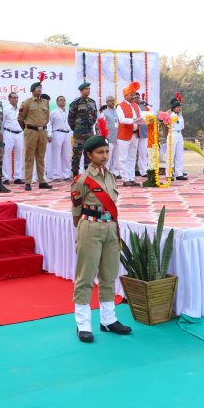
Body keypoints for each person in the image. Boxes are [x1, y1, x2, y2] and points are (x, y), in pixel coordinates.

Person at [70, 135, 132, 343]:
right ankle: (83, 324)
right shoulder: (82, 181)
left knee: (109, 275)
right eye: (100, 152)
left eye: (106, 151)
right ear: (89, 155)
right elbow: (76, 212)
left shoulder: (111, 177)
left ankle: (108, 319)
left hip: (111, 228)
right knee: (86, 277)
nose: (104, 156)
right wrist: (85, 228)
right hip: (90, 227)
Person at [18, 77, 52, 191]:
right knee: (29, 157)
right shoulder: (27, 102)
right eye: (37, 88)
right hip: (30, 131)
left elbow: (47, 118)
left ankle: (42, 180)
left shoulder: (45, 102)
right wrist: (27, 129)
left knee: (41, 157)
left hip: (42, 131)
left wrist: (43, 127)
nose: (39, 90)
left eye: (40, 88)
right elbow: (20, 118)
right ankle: (28, 181)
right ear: (32, 90)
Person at [116, 82, 146, 187]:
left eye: (134, 94)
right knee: (123, 158)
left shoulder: (136, 106)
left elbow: (141, 117)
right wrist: (134, 120)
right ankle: (125, 179)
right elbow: (122, 119)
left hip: (135, 135)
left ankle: (131, 178)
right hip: (124, 135)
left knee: (132, 157)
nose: (133, 96)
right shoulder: (120, 106)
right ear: (126, 96)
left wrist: (145, 120)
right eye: (131, 94)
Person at [68, 82, 98, 177]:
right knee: (77, 154)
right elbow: (71, 119)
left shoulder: (92, 102)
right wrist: (77, 128)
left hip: (89, 132)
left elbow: (94, 116)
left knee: (89, 154)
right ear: (81, 91)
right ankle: (75, 173)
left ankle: (88, 174)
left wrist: (90, 125)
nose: (88, 90)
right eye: (86, 89)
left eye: (89, 89)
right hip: (79, 133)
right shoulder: (75, 102)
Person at [2, 92, 24, 185]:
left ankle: (17, 177)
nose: (16, 99)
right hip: (8, 133)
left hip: (19, 133)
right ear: (9, 99)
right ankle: (6, 177)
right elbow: (1, 123)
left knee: (19, 155)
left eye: (17, 97)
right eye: (14, 97)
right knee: (6, 155)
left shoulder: (21, 110)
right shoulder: (5, 109)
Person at [49, 95, 71, 181]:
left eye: (64, 100)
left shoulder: (68, 112)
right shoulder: (54, 112)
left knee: (66, 155)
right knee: (56, 155)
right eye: (61, 100)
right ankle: (56, 175)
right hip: (57, 133)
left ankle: (66, 175)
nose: (63, 101)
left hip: (67, 133)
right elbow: (49, 123)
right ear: (57, 102)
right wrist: (49, 134)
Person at [168, 97, 187, 181]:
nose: (179, 108)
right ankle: (169, 174)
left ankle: (179, 173)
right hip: (173, 133)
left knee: (179, 155)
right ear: (173, 108)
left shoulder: (180, 116)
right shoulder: (170, 116)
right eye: (177, 107)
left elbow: (182, 126)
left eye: (179, 107)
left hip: (179, 134)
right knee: (171, 154)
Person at [101, 96, 120, 176]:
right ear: (107, 102)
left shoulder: (118, 111)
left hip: (118, 137)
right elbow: (101, 125)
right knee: (107, 156)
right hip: (108, 138)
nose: (112, 102)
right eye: (110, 101)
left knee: (117, 157)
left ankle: (116, 173)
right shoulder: (104, 113)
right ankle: (106, 172)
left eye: (113, 100)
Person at [134, 93, 150, 178]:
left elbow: (150, 118)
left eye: (138, 97)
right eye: (135, 97)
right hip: (133, 132)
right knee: (132, 154)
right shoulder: (131, 107)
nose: (136, 99)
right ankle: (131, 171)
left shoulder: (145, 107)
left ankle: (143, 171)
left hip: (143, 133)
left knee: (143, 153)